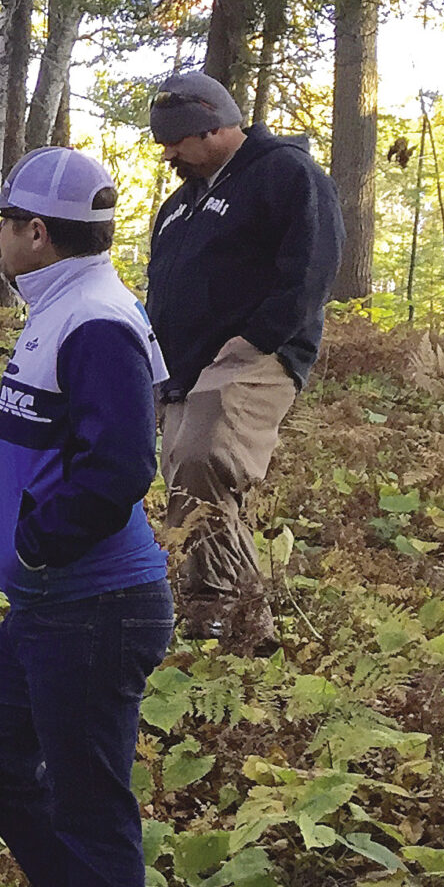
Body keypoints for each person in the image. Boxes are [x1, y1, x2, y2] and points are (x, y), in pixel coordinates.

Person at [0, 149, 176, 887]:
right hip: (51, 605)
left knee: (92, 806)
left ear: (37, 233)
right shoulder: (62, 311)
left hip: (92, 605)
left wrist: (41, 535)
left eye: (5, 221)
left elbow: (125, 463)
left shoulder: (93, 320)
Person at [144, 70, 343, 649]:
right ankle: (245, 622)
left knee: (207, 458)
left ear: (209, 126)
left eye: (175, 141)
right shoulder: (181, 206)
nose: (169, 155)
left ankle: (215, 603)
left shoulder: (286, 174)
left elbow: (312, 266)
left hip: (254, 354)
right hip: (185, 367)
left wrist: (260, 338)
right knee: (186, 471)